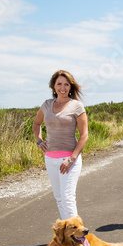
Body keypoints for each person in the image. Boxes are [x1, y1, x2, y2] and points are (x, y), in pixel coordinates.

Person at [33, 70, 88, 220]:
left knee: (68, 198)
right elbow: (36, 123)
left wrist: (72, 158)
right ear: (53, 86)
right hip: (50, 158)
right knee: (59, 198)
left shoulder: (76, 106)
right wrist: (39, 140)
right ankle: (67, 236)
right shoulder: (47, 104)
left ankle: (78, 237)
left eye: (66, 84)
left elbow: (84, 135)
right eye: (59, 84)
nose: (62, 88)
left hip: (69, 159)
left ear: (70, 87)